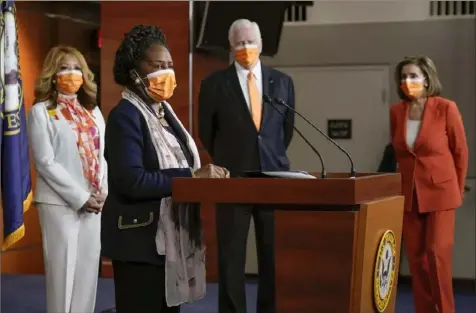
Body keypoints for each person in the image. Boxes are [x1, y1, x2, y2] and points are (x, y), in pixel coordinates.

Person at [101, 25, 230, 313]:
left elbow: (184, 164)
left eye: (169, 66)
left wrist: (201, 177)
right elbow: (131, 181)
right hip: (140, 244)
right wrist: (191, 177)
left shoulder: (166, 115)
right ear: (135, 71)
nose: (166, 73)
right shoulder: (125, 116)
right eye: (157, 66)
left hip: (171, 242)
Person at [198, 19, 295, 313]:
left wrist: (266, 154)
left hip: (273, 176)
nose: (246, 47)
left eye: (251, 41)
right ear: (231, 46)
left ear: (261, 44)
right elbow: (206, 131)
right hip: (232, 177)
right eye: (240, 43)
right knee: (230, 256)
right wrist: (231, 158)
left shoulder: (283, 82)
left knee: (273, 256)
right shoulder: (214, 84)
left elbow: (285, 131)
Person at [27, 45, 107, 313]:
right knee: (63, 275)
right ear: (52, 74)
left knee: (86, 272)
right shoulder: (41, 111)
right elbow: (46, 163)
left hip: (94, 203)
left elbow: (102, 156)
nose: (71, 73)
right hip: (59, 205)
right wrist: (81, 197)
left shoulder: (93, 111)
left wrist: (101, 192)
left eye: (76, 68)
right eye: (64, 68)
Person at [390, 55, 468, 313]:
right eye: (403, 77)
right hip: (409, 195)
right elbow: (400, 154)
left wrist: (456, 190)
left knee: (437, 255)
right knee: (416, 260)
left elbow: (460, 153)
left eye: (413, 76)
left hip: (441, 194)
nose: (407, 81)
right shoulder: (396, 111)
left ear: (427, 79)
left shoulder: (446, 108)